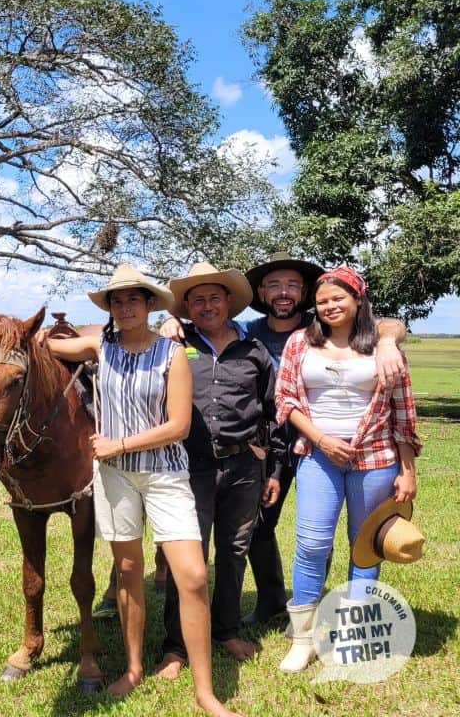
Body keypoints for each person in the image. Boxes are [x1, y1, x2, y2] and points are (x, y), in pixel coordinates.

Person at [160, 252, 408, 626]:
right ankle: (272, 598)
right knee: (258, 524)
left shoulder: (322, 322)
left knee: (319, 530)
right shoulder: (249, 332)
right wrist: (168, 320)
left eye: (292, 284)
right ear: (261, 292)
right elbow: (205, 323)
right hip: (269, 445)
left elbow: (386, 324)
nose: (283, 292)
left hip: (319, 446)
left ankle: (319, 602)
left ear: (304, 292)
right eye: (274, 285)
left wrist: (388, 340)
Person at [42, 264, 242, 717]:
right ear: (109, 308)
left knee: (191, 575)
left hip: (165, 474)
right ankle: (132, 668)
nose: (125, 307)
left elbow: (178, 425)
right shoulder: (100, 346)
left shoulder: (173, 354)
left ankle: (206, 692)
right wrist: (18, 333)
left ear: (150, 305)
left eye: (134, 299)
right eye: (117, 300)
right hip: (115, 478)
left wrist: (120, 443)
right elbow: (49, 345)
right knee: (128, 570)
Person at [273, 266, 419, 672]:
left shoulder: (384, 348)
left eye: (338, 298)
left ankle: (354, 633)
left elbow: (403, 413)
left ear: (358, 301)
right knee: (312, 543)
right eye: (322, 301)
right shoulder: (300, 343)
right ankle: (302, 638)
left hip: (375, 459)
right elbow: (285, 400)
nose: (330, 306)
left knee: (365, 544)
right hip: (319, 457)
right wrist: (320, 439)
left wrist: (408, 470)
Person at [156, 262, 274, 679]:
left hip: (244, 466)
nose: (207, 305)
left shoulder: (255, 350)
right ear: (186, 307)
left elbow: (272, 412)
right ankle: (176, 647)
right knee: (185, 558)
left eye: (214, 297)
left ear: (229, 302)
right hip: (190, 466)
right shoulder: (171, 344)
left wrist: (271, 470)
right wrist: (166, 322)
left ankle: (226, 629)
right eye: (197, 299)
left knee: (234, 552)